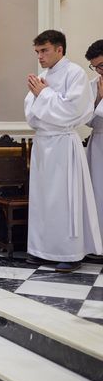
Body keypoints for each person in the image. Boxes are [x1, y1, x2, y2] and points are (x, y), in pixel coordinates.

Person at [24, 30, 102, 272]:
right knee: (43, 200)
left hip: (63, 143)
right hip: (43, 143)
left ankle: (70, 253)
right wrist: (40, 96)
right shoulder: (42, 76)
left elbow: (75, 111)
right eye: (37, 51)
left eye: (44, 50)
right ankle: (42, 249)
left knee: (63, 200)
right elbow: (31, 114)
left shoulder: (75, 73)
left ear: (59, 49)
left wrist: (44, 94)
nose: (40, 56)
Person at [85, 40, 103, 255]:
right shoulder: (92, 85)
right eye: (95, 66)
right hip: (98, 143)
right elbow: (87, 120)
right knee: (97, 195)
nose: (99, 71)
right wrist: (98, 97)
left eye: (101, 65)